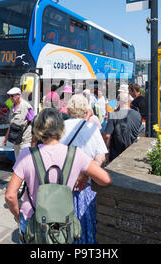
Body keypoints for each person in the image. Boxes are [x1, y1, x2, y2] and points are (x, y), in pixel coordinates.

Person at [5, 108, 112, 243]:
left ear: (38, 129)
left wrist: (17, 215)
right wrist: (85, 175)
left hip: (32, 219)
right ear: (61, 128)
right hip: (63, 223)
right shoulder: (75, 154)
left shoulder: (27, 154)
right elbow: (106, 179)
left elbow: (10, 195)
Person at [60, 95, 108, 244]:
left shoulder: (60, 127)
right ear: (86, 109)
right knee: (87, 223)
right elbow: (101, 157)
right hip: (86, 186)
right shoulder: (92, 128)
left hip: (64, 185)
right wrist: (86, 174)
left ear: (68, 109)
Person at [104, 86, 142, 162]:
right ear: (129, 102)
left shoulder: (113, 115)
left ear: (118, 101)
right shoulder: (137, 114)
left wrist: (106, 151)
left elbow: (107, 136)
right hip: (132, 152)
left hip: (116, 154)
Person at [2, 87, 35, 159]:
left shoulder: (27, 107)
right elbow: (11, 125)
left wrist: (33, 142)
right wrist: (5, 138)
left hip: (25, 141)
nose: (10, 98)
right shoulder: (12, 107)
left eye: (12, 96)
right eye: (9, 96)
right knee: (18, 162)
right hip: (16, 140)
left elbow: (34, 124)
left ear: (18, 95)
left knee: (23, 162)